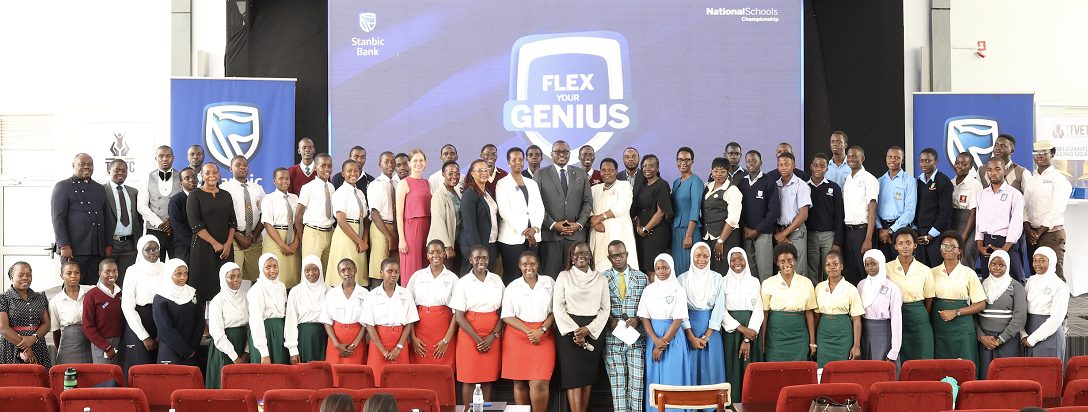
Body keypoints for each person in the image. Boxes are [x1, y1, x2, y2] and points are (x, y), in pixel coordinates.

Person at [553, 242, 610, 412]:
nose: (581, 256)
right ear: (571, 257)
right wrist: (576, 332)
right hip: (569, 332)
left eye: (585, 253)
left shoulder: (601, 278)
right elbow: (558, 306)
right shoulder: (564, 277)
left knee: (588, 376)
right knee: (573, 377)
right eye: (576, 254)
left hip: (593, 331)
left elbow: (605, 309)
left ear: (590, 255)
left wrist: (588, 330)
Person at [500, 251, 555, 412]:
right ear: (519, 266)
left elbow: (556, 311)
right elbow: (507, 316)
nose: (529, 267)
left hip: (544, 336)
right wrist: (531, 332)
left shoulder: (549, 283)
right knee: (520, 382)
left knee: (540, 382)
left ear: (538, 265)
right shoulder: (512, 286)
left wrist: (542, 330)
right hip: (517, 336)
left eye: (532, 263)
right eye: (525, 264)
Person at [450, 246, 505, 404]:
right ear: (470, 260)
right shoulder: (463, 282)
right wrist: (479, 340)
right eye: (477, 258)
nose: (481, 261)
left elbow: (504, 311)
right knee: (469, 378)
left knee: (487, 379)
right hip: (469, 336)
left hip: (492, 335)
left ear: (489, 260)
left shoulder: (496, 280)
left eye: (484, 258)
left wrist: (493, 336)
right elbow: (459, 317)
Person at [638, 254, 690, 412]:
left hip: (672, 338)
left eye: (665, 268)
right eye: (658, 268)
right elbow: (645, 318)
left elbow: (677, 321)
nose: (661, 272)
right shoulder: (648, 290)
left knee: (672, 377)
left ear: (672, 268)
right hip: (653, 337)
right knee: (655, 379)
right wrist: (655, 341)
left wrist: (661, 345)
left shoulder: (678, 290)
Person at [52, 153, 114, 285]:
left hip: (96, 248)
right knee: (72, 287)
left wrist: (108, 245)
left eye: (90, 164)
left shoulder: (99, 188)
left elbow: (106, 220)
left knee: (91, 288)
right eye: (82, 164)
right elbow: (58, 219)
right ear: (74, 166)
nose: (87, 167)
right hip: (73, 249)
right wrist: (64, 245)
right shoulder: (63, 186)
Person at [601, 240, 648, 412]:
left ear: (627, 254)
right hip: (612, 340)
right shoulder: (602, 278)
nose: (619, 259)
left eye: (621, 255)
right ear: (609, 258)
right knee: (618, 385)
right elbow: (597, 306)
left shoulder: (642, 278)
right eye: (614, 256)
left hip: (636, 339)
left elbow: (648, 306)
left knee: (636, 385)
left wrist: (638, 318)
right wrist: (608, 320)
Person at [535, 140, 593, 277]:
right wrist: (553, 224)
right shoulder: (541, 174)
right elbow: (536, 204)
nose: (562, 154)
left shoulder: (580, 173)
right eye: (557, 151)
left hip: (576, 237)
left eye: (565, 151)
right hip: (550, 237)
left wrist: (578, 224)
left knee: (576, 277)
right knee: (551, 277)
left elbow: (588, 201)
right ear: (551, 154)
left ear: (569, 154)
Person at [930, 230, 986, 366]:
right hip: (939, 323)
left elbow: (981, 304)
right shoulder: (931, 272)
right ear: (940, 250)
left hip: (962, 325)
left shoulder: (969, 273)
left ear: (959, 251)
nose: (948, 249)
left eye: (953, 247)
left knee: (964, 363)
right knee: (939, 363)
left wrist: (956, 312)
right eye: (945, 246)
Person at [678, 243, 726, 385]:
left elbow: (719, 307)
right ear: (692, 256)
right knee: (691, 369)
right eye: (697, 255)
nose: (701, 260)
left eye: (705, 256)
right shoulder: (682, 279)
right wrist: (691, 336)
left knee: (711, 370)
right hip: (689, 330)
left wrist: (706, 336)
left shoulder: (717, 278)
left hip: (711, 330)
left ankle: (710, 407)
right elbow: (680, 309)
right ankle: (691, 406)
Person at [760, 242, 817, 362]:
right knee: (777, 372)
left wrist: (812, 342)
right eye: (782, 261)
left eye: (790, 260)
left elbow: (809, 314)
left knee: (799, 372)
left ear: (795, 260)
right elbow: (765, 315)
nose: (787, 264)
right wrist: (763, 342)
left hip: (799, 335)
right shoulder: (768, 283)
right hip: (776, 335)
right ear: (777, 263)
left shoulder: (806, 283)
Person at [188, 163, 237, 301]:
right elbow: (195, 225)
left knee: (225, 287)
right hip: (203, 248)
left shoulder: (226, 195)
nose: (211, 176)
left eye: (214, 172)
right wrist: (215, 243)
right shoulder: (195, 195)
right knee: (202, 288)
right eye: (207, 173)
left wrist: (227, 244)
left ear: (219, 174)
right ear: (202, 176)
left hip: (225, 249)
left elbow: (232, 222)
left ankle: (224, 321)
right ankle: (201, 322)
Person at [720, 248, 763, 404]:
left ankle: (751, 405)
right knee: (733, 368)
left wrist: (747, 339)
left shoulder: (755, 281)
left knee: (749, 369)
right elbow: (721, 310)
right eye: (733, 260)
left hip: (751, 333)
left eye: (740, 259)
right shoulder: (722, 282)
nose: (737, 263)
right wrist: (742, 329)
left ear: (746, 260)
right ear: (728, 262)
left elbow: (759, 310)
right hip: (732, 332)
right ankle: (732, 405)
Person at [1023, 140, 1071, 280]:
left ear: (1052, 154)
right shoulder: (1032, 179)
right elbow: (1024, 206)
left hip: (1051, 235)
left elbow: (1058, 208)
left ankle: (1059, 303)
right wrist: (1028, 229)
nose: (1040, 156)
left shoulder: (1059, 180)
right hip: (1033, 235)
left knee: (1055, 275)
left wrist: (1039, 231)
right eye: (1036, 153)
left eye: (1044, 153)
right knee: (1036, 275)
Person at [885, 228, 934, 363]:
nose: (905, 246)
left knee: (922, 355)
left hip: (919, 316)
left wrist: (921, 314)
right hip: (895, 315)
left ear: (915, 245)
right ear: (895, 246)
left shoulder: (925, 270)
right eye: (900, 243)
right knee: (900, 356)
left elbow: (929, 298)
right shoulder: (886, 269)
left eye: (908, 243)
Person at [496, 148, 545, 284]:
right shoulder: (503, 183)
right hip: (512, 239)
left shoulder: (532, 183)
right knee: (513, 275)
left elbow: (540, 208)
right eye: (514, 160)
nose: (518, 162)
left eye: (520, 159)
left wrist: (534, 229)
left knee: (532, 275)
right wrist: (526, 231)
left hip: (534, 237)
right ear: (508, 162)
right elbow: (504, 212)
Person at [406, 240, 458, 368]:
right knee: (419, 372)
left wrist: (446, 340)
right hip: (420, 333)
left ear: (445, 254)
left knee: (443, 372)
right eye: (432, 252)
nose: (436, 255)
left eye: (439, 252)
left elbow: (457, 313)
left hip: (444, 332)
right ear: (427, 255)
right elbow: (409, 308)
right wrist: (412, 337)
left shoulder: (453, 278)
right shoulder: (417, 276)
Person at [976, 250, 1026, 379]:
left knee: (1007, 378)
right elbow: (974, 314)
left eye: (1001, 265)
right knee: (985, 378)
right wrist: (981, 337)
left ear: (1008, 266)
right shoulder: (981, 285)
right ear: (988, 265)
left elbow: (1020, 317)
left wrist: (1001, 339)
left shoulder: (1016, 286)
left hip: (1007, 340)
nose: (997, 268)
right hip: (985, 340)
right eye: (993, 264)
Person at [976, 157, 1026, 281]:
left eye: (997, 169)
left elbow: (1016, 223)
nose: (993, 173)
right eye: (989, 170)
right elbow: (979, 221)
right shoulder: (982, 194)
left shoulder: (1014, 194)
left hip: (1007, 243)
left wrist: (1005, 248)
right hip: (987, 243)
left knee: (1013, 280)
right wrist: (980, 246)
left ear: (1004, 171)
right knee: (988, 281)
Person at [120, 235, 163, 375]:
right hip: (139, 321)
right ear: (140, 250)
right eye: (148, 249)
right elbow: (127, 306)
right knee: (140, 368)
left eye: (156, 249)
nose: (152, 252)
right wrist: (144, 336)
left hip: (162, 320)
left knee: (160, 367)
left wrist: (162, 332)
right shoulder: (133, 271)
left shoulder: (165, 268)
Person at [812, 252, 864, 368]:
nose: (831, 267)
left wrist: (856, 345)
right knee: (823, 370)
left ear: (841, 266)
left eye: (835, 264)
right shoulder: (819, 288)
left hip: (843, 335)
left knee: (842, 369)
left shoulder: (851, 289)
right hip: (823, 335)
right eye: (828, 264)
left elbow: (856, 319)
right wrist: (814, 341)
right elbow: (816, 316)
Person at [222, 156, 265, 286]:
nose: (242, 167)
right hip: (234, 239)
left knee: (257, 277)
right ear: (231, 169)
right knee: (233, 276)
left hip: (254, 239)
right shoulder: (224, 188)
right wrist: (239, 238)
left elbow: (265, 215)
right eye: (238, 165)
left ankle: (254, 304)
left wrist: (254, 237)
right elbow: (223, 218)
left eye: (245, 165)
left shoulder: (258, 188)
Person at [738, 150, 781, 281]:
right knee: (750, 271)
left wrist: (757, 230)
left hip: (762, 233)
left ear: (760, 163)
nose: (751, 164)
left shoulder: (769, 182)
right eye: (748, 161)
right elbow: (738, 209)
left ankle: (766, 300)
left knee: (765, 271)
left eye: (754, 161)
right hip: (747, 234)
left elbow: (773, 211)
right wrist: (745, 228)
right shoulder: (742, 183)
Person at [857, 249, 903, 371]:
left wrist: (894, 350)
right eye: (866, 265)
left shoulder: (892, 288)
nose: (870, 268)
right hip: (864, 334)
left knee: (881, 372)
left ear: (881, 264)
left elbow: (896, 321)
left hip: (883, 335)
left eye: (873, 264)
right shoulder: (861, 285)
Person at [590, 158, 638, 271]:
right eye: (603, 170)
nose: (606, 173)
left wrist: (599, 218)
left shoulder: (624, 186)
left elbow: (621, 207)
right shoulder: (594, 189)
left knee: (619, 265)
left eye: (610, 170)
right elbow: (587, 207)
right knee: (598, 267)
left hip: (617, 233)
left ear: (616, 171)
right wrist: (593, 221)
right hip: (598, 234)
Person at [153, 259, 204, 366]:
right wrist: (184, 349)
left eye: (185, 274)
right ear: (169, 275)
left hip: (191, 350)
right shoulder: (161, 297)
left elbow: (200, 320)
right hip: (170, 349)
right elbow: (165, 328)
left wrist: (193, 347)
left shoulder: (192, 293)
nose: (183, 278)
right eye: (178, 274)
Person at [327, 160, 370, 287]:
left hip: (360, 235)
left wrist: (364, 240)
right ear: (343, 174)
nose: (353, 173)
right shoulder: (340, 193)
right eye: (349, 171)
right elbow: (341, 221)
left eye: (356, 171)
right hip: (347, 235)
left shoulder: (360, 193)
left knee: (358, 276)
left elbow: (366, 218)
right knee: (345, 273)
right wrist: (359, 241)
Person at [206, 262, 249, 389]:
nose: (236, 280)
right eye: (231, 277)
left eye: (239, 276)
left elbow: (250, 327)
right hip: (224, 349)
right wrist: (235, 357)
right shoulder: (218, 301)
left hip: (242, 344)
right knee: (223, 387)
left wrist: (246, 352)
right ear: (223, 279)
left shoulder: (246, 297)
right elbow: (217, 333)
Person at [1022, 247, 1070, 358]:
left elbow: (1056, 318)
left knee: (1048, 372)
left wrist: (1033, 338)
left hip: (1049, 334)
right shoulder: (1031, 280)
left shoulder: (1060, 286)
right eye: (1034, 260)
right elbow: (1023, 307)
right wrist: (1024, 334)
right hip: (1029, 331)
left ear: (1051, 261)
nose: (1037, 264)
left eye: (1042, 260)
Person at [0, 262, 50, 367]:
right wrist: (27, 347)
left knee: (39, 381)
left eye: (29, 275)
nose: (26, 278)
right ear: (12, 277)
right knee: (14, 381)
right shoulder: (4, 298)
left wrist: (34, 338)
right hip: (11, 346)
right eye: (21, 275)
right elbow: (3, 328)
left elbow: (46, 323)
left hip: (37, 344)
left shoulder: (40, 297)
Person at [806, 154, 846, 283]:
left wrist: (837, 242)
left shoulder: (834, 188)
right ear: (811, 167)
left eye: (822, 166)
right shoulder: (804, 187)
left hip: (829, 236)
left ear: (827, 169)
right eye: (816, 165)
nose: (818, 168)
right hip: (810, 235)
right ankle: (815, 299)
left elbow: (839, 216)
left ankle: (830, 297)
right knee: (813, 269)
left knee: (829, 268)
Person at [842, 147, 879, 285]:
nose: (851, 159)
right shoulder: (848, 179)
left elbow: (872, 210)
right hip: (849, 231)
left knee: (865, 272)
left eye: (854, 156)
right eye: (849, 156)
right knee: (851, 272)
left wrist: (868, 238)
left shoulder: (869, 179)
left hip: (862, 232)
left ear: (862, 158)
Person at [320, 259, 368, 365]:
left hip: (357, 340)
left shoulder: (365, 294)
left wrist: (354, 345)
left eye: (350, 269)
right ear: (339, 273)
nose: (347, 273)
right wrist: (337, 345)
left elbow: (366, 324)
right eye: (343, 271)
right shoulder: (332, 294)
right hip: (336, 340)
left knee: (356, 374)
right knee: (335, 374)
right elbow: (326, 321)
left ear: (355, 270)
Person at [286, 256, 332, 363]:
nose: (311, 273)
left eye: (315, 269)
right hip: (304, 338)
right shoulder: (296, 291)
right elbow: (290, 322)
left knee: (323, 372)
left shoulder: (329, 291)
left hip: (325, 337)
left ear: (320, 269)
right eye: (307, 270)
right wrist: (293, 350)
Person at [137, 146, 180, 261]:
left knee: (177, 267)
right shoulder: (147, 178)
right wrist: (160, 224)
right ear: (156, 158)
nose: (164, 159)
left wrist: (173, 220)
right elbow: (141, 206)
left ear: (173, 158)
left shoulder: (182, 177)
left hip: (176, 231)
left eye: (168, 156)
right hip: (154, 231)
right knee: (153, 266)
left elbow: (186, 204)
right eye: (161, 156)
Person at [396, 149, 432, 286]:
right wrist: (401, 239)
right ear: (409, 163)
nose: (418, 163)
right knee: (412, 267)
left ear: (425, 163)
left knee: (424, 266)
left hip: (426, 227)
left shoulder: (427, 182)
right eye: (415, 161)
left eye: (421, 160)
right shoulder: (404, 183)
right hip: (411, 228)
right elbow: (399, 214)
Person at [633, 154, 673, 276]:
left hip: (656, 232)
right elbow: (639, 209)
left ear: (657, 168)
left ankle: (656, 294)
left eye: (651, 165)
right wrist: (639, 226)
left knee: (652, 267)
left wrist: (646, 229)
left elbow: (661, 212)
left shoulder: (662, 185)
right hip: (642, 232)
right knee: (643, 267)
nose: (647, 169)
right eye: (644, 166)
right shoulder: (642, 186)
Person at [296, 153, 337, 272]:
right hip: (313, 233)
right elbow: (298, 215)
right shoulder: (308, 187)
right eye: (323, 166)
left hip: (329, 232)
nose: (327, 169)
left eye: (329, 166)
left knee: (327, 272)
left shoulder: (331, 187)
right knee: (310, 271)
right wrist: (302, 238)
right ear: (315, 168)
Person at [262, 168, 302, 288]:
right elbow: (268, 224)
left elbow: (299, 221)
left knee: (292, 278)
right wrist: (283, 245)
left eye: (287, 178)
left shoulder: (295, 198)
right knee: (276, 278)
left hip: (293, 236)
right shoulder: (269, 199)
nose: (285, 181)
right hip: (276, 239)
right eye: (281, 178)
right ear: (274, 181)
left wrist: (295, 243)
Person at [774, 152, 812, 280]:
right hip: (779, 232)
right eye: (780, 165)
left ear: (794, 165)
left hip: (795, 233)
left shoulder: (801, 185)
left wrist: (784, 234)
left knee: (797, 270)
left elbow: (803, 214)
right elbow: (772, 212)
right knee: (782, 271)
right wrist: (780, 234)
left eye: (787, 164)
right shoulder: (775, 185)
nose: (783, 167)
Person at [914, 148, 954, 267]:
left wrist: (931, 234)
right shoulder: (919, 181)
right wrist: (915, 230)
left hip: (936, 234)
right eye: (921, 161)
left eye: (928, 161)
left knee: (937, 268)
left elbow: (946, 211)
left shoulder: (943, 181)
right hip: (919, 233)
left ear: (936, 162)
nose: (924, 164)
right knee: (921, 269)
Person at [703, 157, 744, 274]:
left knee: (724, 271)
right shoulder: (707, 187)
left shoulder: (732, 190)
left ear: (728, 172)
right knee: (711, 271)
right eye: (715, 171)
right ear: (711, 172)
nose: (718, 174)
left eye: (722, 171)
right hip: (708, 236)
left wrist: (721, 241)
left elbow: (733, 218)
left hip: (726, 238)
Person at [104, 159, 142, 284]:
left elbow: (139, 218)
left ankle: (121, 303)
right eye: (117, 170)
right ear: (109, 171)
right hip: (110, 243)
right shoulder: (102, 191)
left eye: (124, 171)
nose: (121, 173)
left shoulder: (134, 192)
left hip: (130, 245)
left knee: (125, 281)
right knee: (107, 279)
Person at [876, 147, 917, 262]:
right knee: (884, 266)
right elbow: (875, 209)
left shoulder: (909, 181)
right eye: (890, 157)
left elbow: (910, 211)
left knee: (901, 264)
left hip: (901, 228)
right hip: (881, 231)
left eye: (896, 157)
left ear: (902, 161)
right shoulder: (879, 181)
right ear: (886, 159)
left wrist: (890, 231)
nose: (892, 160)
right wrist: (880, 229)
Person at [248, 253, 290, 364]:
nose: (273, 270)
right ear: (261, 269)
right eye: (268, 267)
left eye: (275, 266)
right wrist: (264, 352)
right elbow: (256, 321)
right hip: (265, 334)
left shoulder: (281, 286)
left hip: (280, 334)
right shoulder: (257, 289)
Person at [460, 159, 500, 273]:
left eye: (486, 170)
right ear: (472, 173)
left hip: (490, 242)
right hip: (474, 244)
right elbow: (469, 225)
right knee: (473, 278)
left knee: (487, 277)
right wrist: (477, 251)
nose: (484, 173)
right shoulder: (469, 194)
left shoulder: (488, 192)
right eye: (480, 170)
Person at [50, 262, 93, 364]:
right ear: (62, 276)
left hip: (93, 341)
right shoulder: (56, 301)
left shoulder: (91, 291)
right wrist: (60, 351)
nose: (73, 276)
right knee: (70, 375)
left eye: (76, 272)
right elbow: (55, 331)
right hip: (70, 344)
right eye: (69, 273)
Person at [367, 152, 399, 289]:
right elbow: (374, 214)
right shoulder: (375, 184)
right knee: (380, 266)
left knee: (394, 267)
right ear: (380, 165)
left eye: (393, 162)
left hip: (396, 227)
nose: (390, 165)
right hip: (381, 228)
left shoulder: (398, 184)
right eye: (386, 162)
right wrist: (389, 237)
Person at [83, 259, 124, 364]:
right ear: (100, 273)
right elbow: (87, 326)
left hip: (123, 342)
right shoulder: (92, 295)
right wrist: (106, 347)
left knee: (122, 377)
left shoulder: (122, 292)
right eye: (107, 271)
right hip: (103, 344)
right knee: (105, 377)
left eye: (115, 271)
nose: (112, 274)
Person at [671, 147, 703, 274]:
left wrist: (688, 235)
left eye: (687, 160)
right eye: (680, 160)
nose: (683, 163)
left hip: (689, 230)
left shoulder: (696, 181)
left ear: (692, 162)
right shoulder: (675, 182)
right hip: (675, 229)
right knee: (678, 266)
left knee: (689, 267)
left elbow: (695, 210)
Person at [427, 161, 463, 273]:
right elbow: (439, 222)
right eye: (450, 173)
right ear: (443, 175)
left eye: (457, 173)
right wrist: (447, 247)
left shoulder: (456, 192)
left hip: (455, 240)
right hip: (442, 245)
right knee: (444, 275)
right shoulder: (439, 195)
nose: (454, 177)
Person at [951, 153, 983, 268]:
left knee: (966, 254)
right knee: (951, 256)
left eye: (964, 164)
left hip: (969, 224)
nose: (959, 166)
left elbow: (974, 214)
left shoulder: (974, 184)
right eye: (957, 163)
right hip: (953, 223)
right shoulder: (951, 183)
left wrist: (962, 239)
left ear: (970, 167)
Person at [169, 167, 198, 263]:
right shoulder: (176, 200)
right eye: (187, 178)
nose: (191, 180)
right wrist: (195, 243)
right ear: (181, 183)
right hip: (184, 246)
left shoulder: (203, 198)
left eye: (194, 177)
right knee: (185, 276)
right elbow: (177, 226)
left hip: (202, 245)